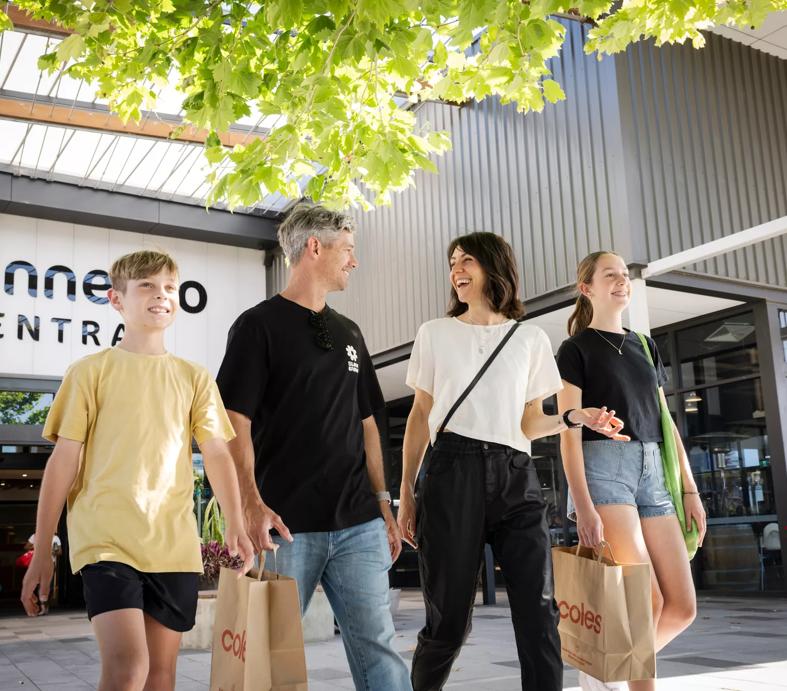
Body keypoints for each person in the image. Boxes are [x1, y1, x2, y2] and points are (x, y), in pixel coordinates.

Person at [396, 232, 627, 691]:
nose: (456, 270)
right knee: (447, 620)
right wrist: (405, 492)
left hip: (515, 477)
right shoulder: (434, 333)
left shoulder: (530, 338)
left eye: (467, 261)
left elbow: (528, 423)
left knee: (539, 611)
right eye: (452, 263)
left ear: (493, 266)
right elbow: (421, 416)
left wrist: (573, 417)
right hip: (450, 472)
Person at [21, 250, 254, 691]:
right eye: (146, 285)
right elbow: (63, 462)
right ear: (116, 300)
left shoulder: (194, 377)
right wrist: (44, 552)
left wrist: (235, 525)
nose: (161, 295)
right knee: (129, 668)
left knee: (161, 677)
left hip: (173, 545)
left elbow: (218, 455)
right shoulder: (89, 372)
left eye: (169, 287)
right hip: (106, 541)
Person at [216, 202, 411, 691]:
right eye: (347, 249)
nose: (354, 261)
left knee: (380, 649)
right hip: (285, 528)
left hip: (358, 523)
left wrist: (383, 504)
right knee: (262, 657)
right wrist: (251, 504)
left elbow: (369, 421)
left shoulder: (350, 332)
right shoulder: (256, 326)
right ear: (314, 247)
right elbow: (233, 420)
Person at [556, 251, 707, 691]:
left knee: (681, 606)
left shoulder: (644, 344)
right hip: (605, 469)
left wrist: (690, 489)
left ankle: (606, 670)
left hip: (654, 472)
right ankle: (617, 673)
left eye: (625, 275)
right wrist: (582, 506)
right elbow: (567, 431)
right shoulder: (575, 348)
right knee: (647, 601)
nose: (622, 282)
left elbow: (665, 419)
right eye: (611, 276)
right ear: (588, 288)